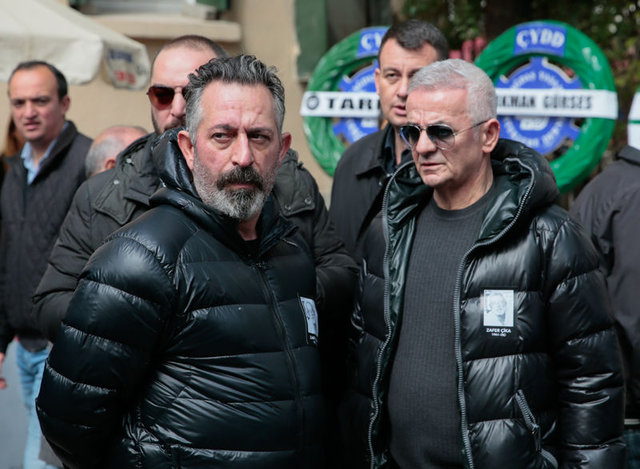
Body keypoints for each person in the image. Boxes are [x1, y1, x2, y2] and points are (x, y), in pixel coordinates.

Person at [36, 54, 326, 469]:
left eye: (259, 137)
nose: (243, 156)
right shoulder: (139, 259)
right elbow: (69, 421)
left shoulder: (293, 253)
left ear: (282, 151)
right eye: (223, 136)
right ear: (188, 148)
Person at [343, 59, 626, 468]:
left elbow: (591, 383)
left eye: (441, 131)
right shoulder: (387, 231)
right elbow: (362, 361)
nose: (422, 147)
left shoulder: (549, 236)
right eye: (412, 132)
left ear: (488, 135)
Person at [33, 35, 355, 351]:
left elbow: (342, 274)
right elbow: (52, 303)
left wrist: (273, 299)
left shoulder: (286, 183)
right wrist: (142, 317)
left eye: (191, 92)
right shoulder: (103, 194)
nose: (176, 108)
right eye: (162, 95)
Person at [0, 61, 91, 469]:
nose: (28, 112)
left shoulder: (88, 161)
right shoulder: (14, 170)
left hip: (64, 346)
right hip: (24, 347)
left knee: (41, 462)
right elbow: (8, 258)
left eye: (40, 100)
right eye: (18, 102)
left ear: (64, 103)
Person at [330, 19, 449, 260]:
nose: (403, 90)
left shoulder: (455, 165)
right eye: (392, 75)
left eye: (417, 77)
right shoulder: (351, 162)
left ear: (444, 83)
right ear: (377, 81)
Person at [570, 144, 640, 469]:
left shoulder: (606, 186)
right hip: (628, 418)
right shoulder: (633, 194)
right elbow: (634, 314)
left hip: (601, 406)